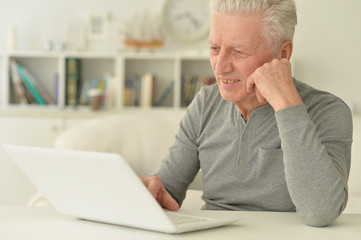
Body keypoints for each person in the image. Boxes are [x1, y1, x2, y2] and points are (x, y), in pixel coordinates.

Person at [141, 0, 352, 227]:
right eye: (214, 48)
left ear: (282, 53)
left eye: (238, 51)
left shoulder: (328, 111)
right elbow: (166, 193)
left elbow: (321, 212)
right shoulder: (205, 103)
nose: (220, 67)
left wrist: (285, 103)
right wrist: (148, 193)